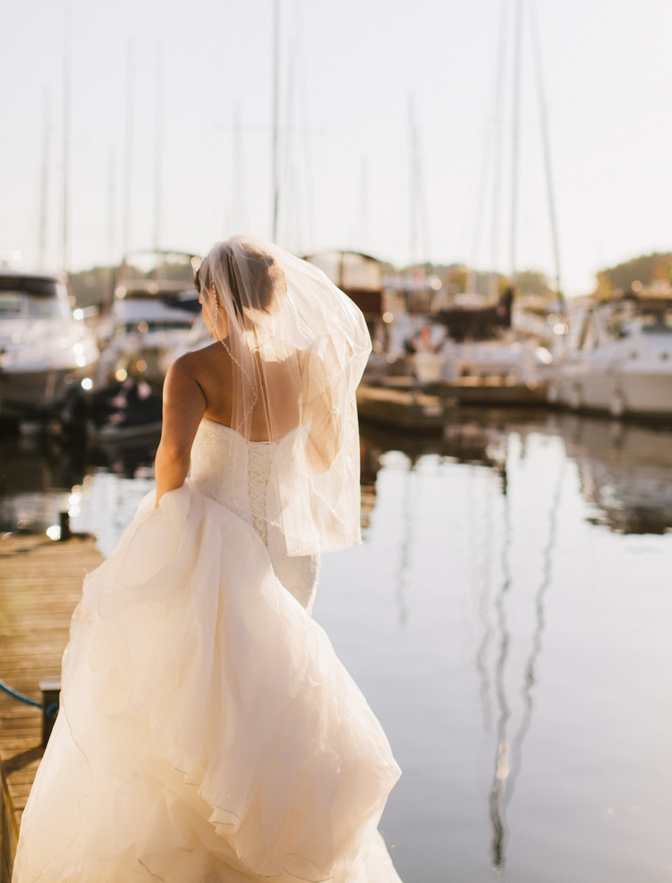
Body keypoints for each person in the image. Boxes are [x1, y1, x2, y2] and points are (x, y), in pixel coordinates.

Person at [16, 236, 402, 881]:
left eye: (203, 296)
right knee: (270, 698)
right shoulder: (308, 364)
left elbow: (172, 460)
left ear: (216, 298)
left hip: (214, 549)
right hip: (287, 554)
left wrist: (167, 520)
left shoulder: (193, 368)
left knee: (191, 700)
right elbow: (325, 458)